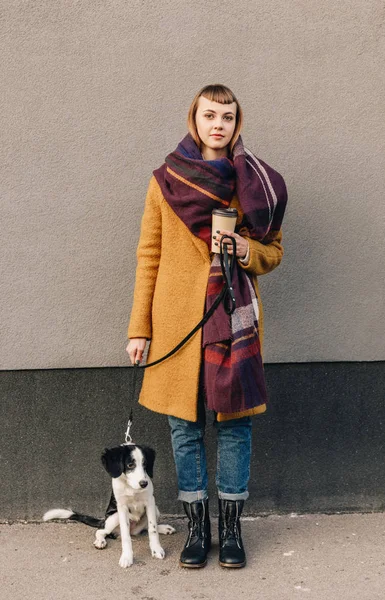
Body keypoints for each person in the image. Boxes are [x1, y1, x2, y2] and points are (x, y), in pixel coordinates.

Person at [126, 84, 288, 569]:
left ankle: (232, 532)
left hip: (232, 321)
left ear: (238, 124)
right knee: (185, 427)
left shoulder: (254, 185)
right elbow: (148, 256)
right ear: (194, 119)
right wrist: (140, 328)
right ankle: (198, 531)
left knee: (235, 426)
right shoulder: (165, 180)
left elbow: (273, 251)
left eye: (228, 116)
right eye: (209, 115)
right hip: (178, 322)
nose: (218, 124)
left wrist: (245, 250)